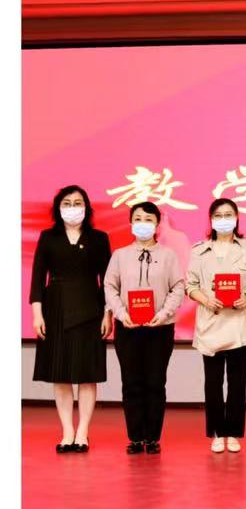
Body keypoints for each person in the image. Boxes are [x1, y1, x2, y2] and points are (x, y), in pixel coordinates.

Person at [30, 185, 111, 453]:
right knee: (60, 373)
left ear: (87, 208)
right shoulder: (48, 237)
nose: (73, 207)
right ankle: (67, 431)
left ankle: (83, 432)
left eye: (78, 203)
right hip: (55, 310)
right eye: (67, 203)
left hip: (91, 310)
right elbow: (37, 279)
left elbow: (108, 281)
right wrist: (37, 314)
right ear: (58, 208)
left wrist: (107, 313)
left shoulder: (99, 238)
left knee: (87, 375)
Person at [185, 197, 246, 452]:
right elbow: (190, 285)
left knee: (237, 380)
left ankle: (233, 433)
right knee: (213, 381)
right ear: (211, 220)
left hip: (239, 324)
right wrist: (206, 300)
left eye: (228, 214)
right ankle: (217, 433)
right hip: (211, 323)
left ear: (237, 218)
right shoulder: (199, 250)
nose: (223, 219)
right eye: (218, 215)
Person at [102, 201, 185, 454]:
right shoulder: (120, 255)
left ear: (157, 224)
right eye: (138, 219)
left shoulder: (168, 255)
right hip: (128, 327)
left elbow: (178, 287)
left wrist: (163, 313)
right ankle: (136, 437)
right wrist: (121, 313)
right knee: (132, 382)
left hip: (160, 328)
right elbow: (109, 287)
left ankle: (153, 437)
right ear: (130, 223)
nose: (143, 224)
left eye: (148, 219)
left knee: (155, 382)